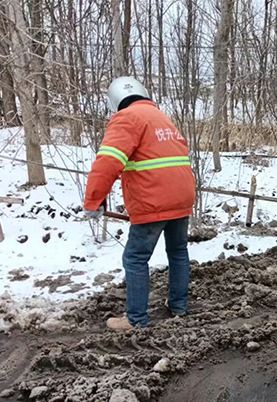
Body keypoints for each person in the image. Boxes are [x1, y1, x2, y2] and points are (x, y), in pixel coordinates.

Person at [83, 76, 196, 331]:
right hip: (181, 196)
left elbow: (108, 162)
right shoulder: (162, 118)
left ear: (115, 101)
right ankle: (178, 306)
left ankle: (135, 320)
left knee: (135, 258)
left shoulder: (127, 118)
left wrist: (93, 200)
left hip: (152, 199)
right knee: (178, 251)